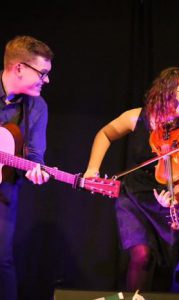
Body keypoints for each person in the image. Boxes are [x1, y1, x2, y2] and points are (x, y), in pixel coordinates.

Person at [84, 67, 179, 292]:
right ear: (166, 91)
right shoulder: (137, 117)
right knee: (141, 256)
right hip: (133, 197)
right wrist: (92, 169)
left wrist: (174, 200)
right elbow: (105, 134)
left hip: (166, 206)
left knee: (165, 270)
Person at [0, 35, 53, 300]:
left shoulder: (37, 106)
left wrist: (36, 169)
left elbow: (34, 154)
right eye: (42, 73)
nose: (47, 80)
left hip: (4, 185)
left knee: (2, 260)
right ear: (19, 67)